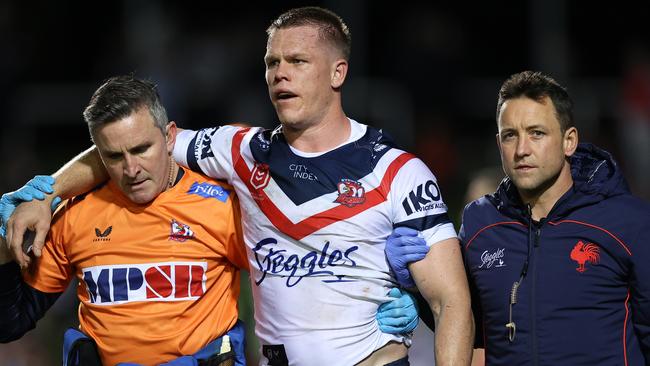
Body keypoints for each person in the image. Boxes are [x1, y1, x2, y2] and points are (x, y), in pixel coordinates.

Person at [2, 6, 473, 366]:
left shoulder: (399, 170)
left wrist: (409, 295)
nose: (279, 72)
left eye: (298, 60)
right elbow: (133, 142)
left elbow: (452, 300)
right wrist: (46, 193)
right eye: (272, 62)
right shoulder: (237, 150)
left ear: (338, 73)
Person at [386, 70, 650, 365]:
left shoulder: (629, 222)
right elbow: (464, 321)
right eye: (511, 136)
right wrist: (415, 288)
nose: (522, 150)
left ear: (569, 141)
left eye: (537, 133)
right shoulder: (480, 223)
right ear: (499, 144)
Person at [0, 75, 249, 365]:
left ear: (170, 136)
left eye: (142, 149)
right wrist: (3, 235)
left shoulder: (221, 206)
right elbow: (10, 323)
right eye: (115, 156)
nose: (132, 169)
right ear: (98, 154)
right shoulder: (75, 214)